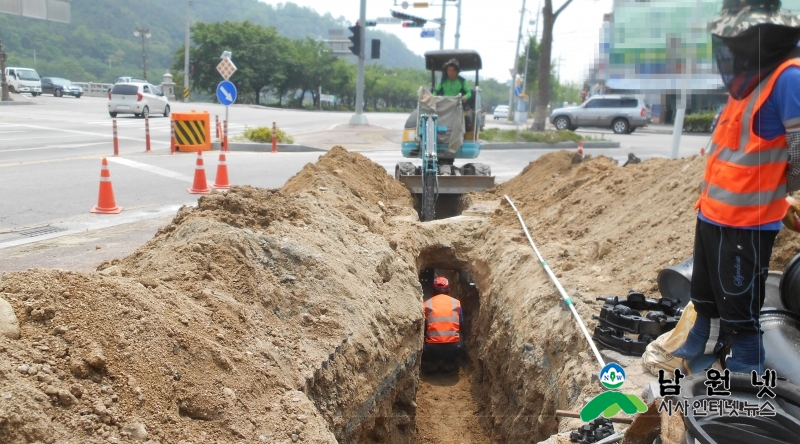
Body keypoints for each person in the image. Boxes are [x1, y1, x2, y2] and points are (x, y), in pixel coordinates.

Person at [672, 0, 800, 374]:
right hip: (713, 212)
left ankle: (745, 372)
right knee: (707, 295)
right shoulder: (748, 84)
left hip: (747, 220)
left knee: (739, 304)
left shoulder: (788, 78)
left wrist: (785, 194)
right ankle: (704, 353)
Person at [422, 276, 464, 372]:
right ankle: (449, 363)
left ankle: (432, 363)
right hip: (454, 349)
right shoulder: (456, 303)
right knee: (460, 335)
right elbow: (461, 325)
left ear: (433, 290)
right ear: (448, 290)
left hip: (432, 350)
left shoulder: (426, 304)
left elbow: (423, 328)